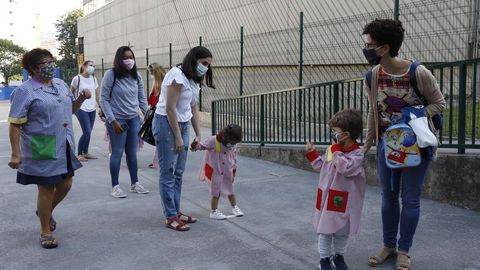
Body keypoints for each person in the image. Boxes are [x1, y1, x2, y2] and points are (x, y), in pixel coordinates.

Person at [361, 19, 446, 270]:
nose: (365, 49)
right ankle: (389, 246)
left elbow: (439, 104)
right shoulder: (372, 75)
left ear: (384, 48)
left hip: (416, 144)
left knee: (410, 198)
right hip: (387, 144)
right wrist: (366, 145)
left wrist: (411, 115)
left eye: (368, 45)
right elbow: (373, 111)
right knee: (388, 196)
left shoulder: (417, 73)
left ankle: (404, 250)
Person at [8, 48, 91, 249]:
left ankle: (44, 211)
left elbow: (69, 110)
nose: (50, 66)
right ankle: (45, 230)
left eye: (50, 61)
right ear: (31, 69)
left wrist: (80, 100)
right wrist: (15, 153)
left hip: (64, 142)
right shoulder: (24, 91)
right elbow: (15, 123)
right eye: (43, 63)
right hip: (41, 145)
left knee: (66, 184)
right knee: (46, 188)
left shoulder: (61, 84)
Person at [152, 46, 215, 231]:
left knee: (178, 172)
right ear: (194, 59)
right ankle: (170, 216)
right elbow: (170, 108)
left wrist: (198, 134)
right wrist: (178, 137)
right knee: (168, 172)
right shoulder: (176, 76)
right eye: (204, 63)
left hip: (184, 124)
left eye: (208, 65)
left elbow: (193, 108)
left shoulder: (193, 79)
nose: (206, 67)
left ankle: (176, 211)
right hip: (166, 124)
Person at [305, 109, 366, 270]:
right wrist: (312, 155)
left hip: (343, 201)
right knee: (325, 230)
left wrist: (336, 150)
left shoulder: (357, 154)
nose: (332, 134)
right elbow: (323, 166)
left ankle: (339, 255)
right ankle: (324, 259)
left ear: (345, 134)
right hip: (327, 198)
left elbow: (345, 168)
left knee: (341, 231)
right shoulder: (332, 150)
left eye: (335, 131)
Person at [100, 46, 150, 198]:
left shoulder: (137, 76)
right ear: (119, 60)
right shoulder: (111, 74)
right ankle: (115, 186)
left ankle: (135, 183)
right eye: (125, 58)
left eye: (131, 57)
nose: (129, 61)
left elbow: (141, 98)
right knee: (117, 152)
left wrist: (148, 114)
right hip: (117, 119)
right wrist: (112, 120)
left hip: (133, 118)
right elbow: (104, 99)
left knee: (132, 153)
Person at [191, 124, 244, 220]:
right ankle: (214, 211)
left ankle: (234, 207)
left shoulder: (233, 144)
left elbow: (233, 155)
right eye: (232, 142)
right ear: (226, 137)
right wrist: (195, 146)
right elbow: (202, 146)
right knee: (216, 192)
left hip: (228, 171)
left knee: (230, 190)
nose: (233, 144)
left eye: (235, 143)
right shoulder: (214, 140)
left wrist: (234, 168)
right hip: (216, 172)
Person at [70, 60, 100, 161]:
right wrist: (74, 103)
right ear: (84, 66)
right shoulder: (77, 78)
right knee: (86, 131)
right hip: (81, 108)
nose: (93, 67)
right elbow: (71, 92)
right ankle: (79, 154)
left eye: (94, 66)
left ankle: (85, 152)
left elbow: (96, 94)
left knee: (89, 132)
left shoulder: (94, 79)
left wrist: (100, 107)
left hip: (92, 108)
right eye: (91, 65)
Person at [147, 62, 166, 169]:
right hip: (155, 111)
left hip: (161, 113)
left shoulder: (163, 82)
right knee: (158, 138)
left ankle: (158, 162)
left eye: (151, 72)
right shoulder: (156, 83)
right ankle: (157, 161)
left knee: (160, 138)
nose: (150, 74)